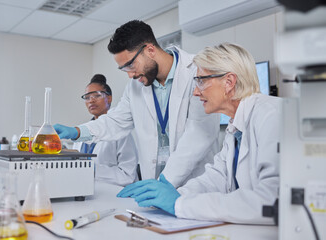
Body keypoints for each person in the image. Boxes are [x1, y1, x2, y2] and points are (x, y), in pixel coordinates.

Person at [117, 43, 281, 224]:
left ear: (229, 82)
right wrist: (175, 195)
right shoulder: (235, 128)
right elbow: (216, 177)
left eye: (201, 81)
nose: (195, 92)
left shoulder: (271, 115)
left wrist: (179, 204)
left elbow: (271, 200)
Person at [54, 20, 220, 188]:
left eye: (130, 65)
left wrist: (165, 183)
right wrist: (76, 132)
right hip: (154, 184)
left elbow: (199, 136)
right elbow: (116, 121)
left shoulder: (197, 72)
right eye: (124, 69)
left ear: (150, 50)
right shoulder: (135, 86)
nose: (130, 75)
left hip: (195, 186)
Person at [73, 74, 138, 186]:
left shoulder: (121, 131)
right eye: (87, 97)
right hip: (84, 192)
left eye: (96, 96)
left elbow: (128, 175)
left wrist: (93, 170)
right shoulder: (80, 131)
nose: (91, 101)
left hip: (114, 196)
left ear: (109, 98)